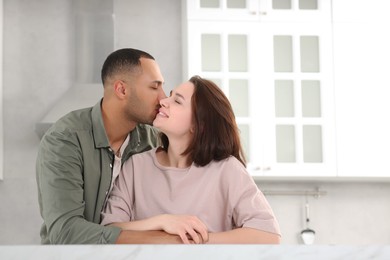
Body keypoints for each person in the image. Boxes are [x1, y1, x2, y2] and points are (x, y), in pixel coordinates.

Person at [101, 76, 281, 244]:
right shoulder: (136, 166)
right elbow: (109, 229)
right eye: (170, 96)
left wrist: (194, 241)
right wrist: (163, 222)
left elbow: (269, 235)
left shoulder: (227, 170)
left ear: (198, 125)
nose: (163, 101)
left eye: (177, 101)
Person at [36, 48, 186, 244]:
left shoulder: (153, 141)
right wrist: (160, 239)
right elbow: (66, 232)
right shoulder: (64, 139)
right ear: (122, 90)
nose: (163, 98)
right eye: (154, 87)